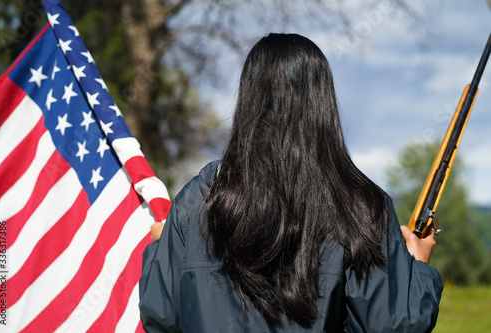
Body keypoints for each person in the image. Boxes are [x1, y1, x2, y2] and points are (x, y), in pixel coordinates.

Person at [139, 33, 443, 332]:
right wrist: (418, 269)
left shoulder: (198, 198)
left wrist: (160, 248)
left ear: (248, 97)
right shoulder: (361, 206)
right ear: (322, 102)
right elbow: (393, 324)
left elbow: (161, 314)